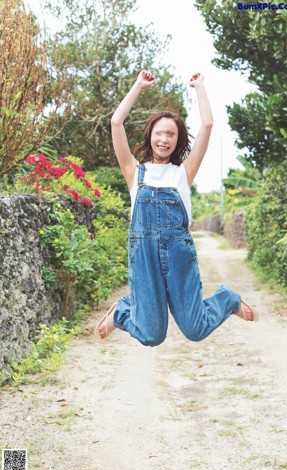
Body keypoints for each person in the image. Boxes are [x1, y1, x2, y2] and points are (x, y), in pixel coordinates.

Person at [95, 70, 259, 346]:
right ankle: (122, 311)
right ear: (150, 137)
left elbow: (207, 125)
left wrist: (199, 87)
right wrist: (138, 85)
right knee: (151, 336)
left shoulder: (184, 172)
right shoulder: (135, 171)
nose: (164, 139)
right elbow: (116, 122)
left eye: (171, 134)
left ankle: (227, 299)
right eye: (159, 133)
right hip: (144, 256)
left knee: (196, 330)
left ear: (177, 139)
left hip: (179, 255)